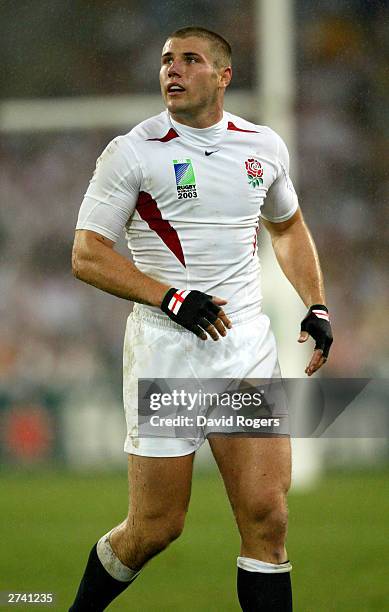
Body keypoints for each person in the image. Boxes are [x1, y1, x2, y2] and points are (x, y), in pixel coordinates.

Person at [69, 26, 333, 612]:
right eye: (166, 60)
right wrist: (170, 298)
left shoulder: (262, 146)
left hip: (245, 350)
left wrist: (315, 302)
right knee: (157, 527)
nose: (173, 70)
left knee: (268, 517)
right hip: (169, 351)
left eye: (189, 59)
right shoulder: (133, 150)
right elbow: (87, 254)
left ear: (223, 75)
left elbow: (286, 226)